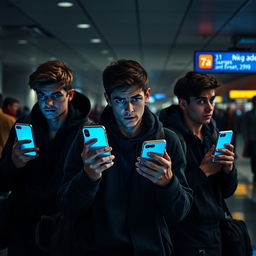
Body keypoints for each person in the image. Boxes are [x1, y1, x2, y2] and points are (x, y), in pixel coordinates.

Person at [57, 59, 192, 256]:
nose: (128, 109)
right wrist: (88, 177)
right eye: (120, 100)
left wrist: (168, 183)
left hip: (151, 249)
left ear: (146, 95)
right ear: (108, 99)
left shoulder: (168, 141)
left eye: (135, 99)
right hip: (97, 248)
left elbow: (180, 212)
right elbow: (67, 206)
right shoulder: (88, 140)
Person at [0, 60, 91, 256]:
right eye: (42, 96)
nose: (48, 103)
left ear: (70, 95)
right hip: (24, 228)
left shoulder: (85, 131)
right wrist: (13, 163)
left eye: (56, 96)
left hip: (67, 228)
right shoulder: (24, 125)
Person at [159, 71, 237, 256]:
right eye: (201, 101)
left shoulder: (213, 135)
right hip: (185, 236)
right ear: (183, 103)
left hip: (214, 232)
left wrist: (228, 169)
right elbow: (170, 198)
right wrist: (203, 172)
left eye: (212, 100)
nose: (209, 107)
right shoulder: (169, 140)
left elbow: (226, 192)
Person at [242, 96, 256, 183]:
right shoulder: (248, 114)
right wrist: (246, 138)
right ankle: (255, 172)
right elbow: (244, 127)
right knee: (254, 156)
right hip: (252, 138)